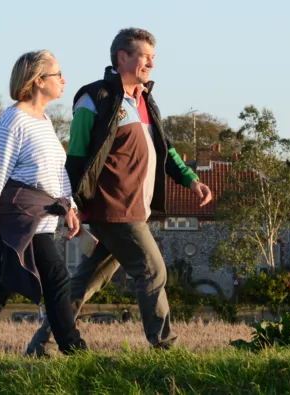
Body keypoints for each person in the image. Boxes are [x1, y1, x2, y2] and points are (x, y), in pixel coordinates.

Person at [25, 28, 213, 356]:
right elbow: (79, 156)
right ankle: (164, 347)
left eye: (153, 58)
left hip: (136, 209)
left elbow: (164, 150)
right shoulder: (94, 98)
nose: (151, 63)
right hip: (112, 209)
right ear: (122, 57)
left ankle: (42, 344)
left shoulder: (144, 100)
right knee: (153, 270)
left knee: (86, 282)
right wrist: (70, 205)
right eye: (144, 56)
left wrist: (190, 180)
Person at [0, 50, 88, 355]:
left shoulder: (43, 120)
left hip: (41, 214)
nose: (64, 80)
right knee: (57, 279)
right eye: (57, 74)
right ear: (38, 80)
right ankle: (75, 350)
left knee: (0, 287)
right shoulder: (13, 119)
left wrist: (71, 206)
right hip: (21, 216)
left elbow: (56, 170)